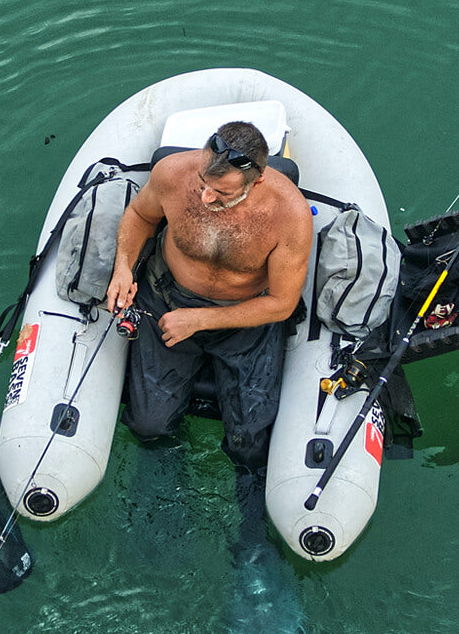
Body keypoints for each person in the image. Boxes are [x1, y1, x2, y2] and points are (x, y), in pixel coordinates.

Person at [105, 121, 312, 534]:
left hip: (244, 318)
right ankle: (166, 512)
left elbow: (281, 303)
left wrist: (201, 320)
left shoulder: (289, 216)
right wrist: (123, 267)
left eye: (222, 193)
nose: (205, 196)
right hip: (166, 298)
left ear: (257, 180)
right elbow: (140, 215)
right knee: (148, 425)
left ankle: (251, 532)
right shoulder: (172, 174)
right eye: (204, 182)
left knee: (251, 442)